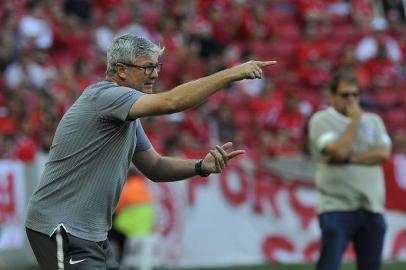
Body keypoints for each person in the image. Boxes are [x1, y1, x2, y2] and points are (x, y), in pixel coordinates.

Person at [25, 33, 276, 270]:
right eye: (147, 67)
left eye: (157, 67)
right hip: (61, 226)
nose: (154, 74)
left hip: (90, 233)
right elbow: (172, 102)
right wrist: (230, 74)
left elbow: (155, 167)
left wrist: (200, 166)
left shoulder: (125, 113)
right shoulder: (107, 97)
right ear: (121, 70)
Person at [308, 70, 392, 270]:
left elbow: (383, 153)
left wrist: (349, 158)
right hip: (336, 206)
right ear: (332, 95)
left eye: (355, 94)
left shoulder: (373, 121)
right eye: (345, 95)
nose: (351, 100)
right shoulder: (320, 120)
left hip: (372, 207)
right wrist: (354, 121)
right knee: (329, 265)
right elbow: (337, 151)